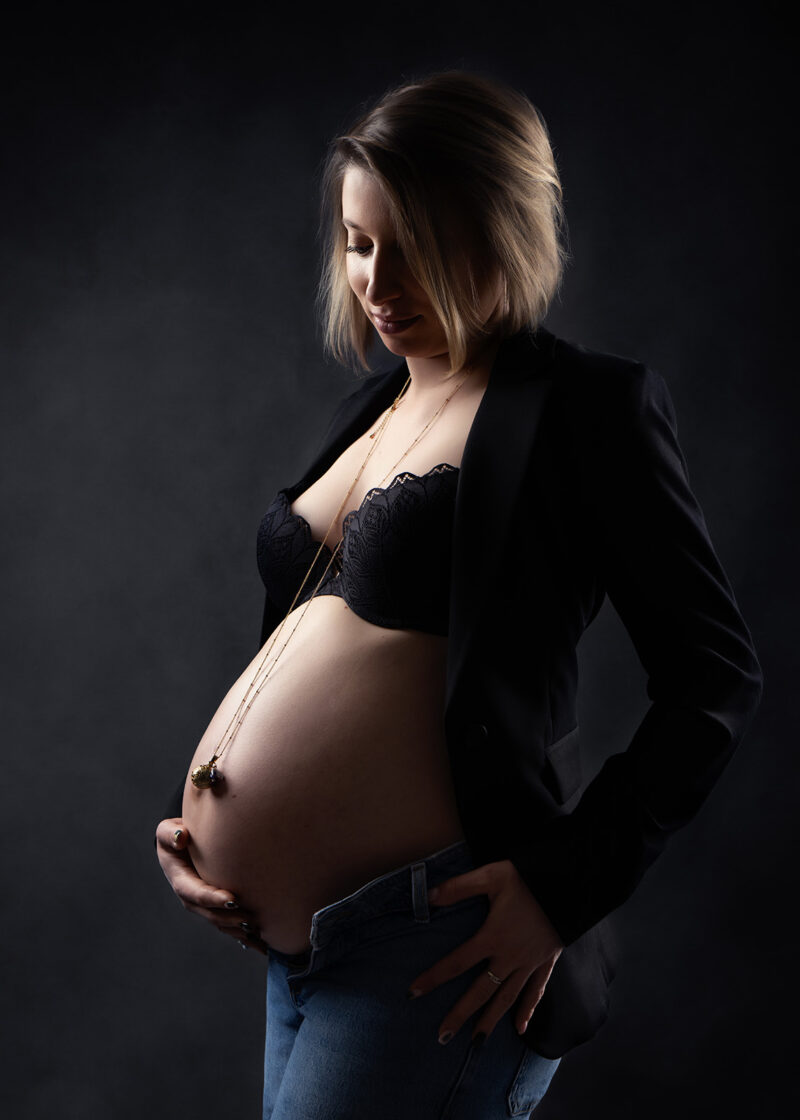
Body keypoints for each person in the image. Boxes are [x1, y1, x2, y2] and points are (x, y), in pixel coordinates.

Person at [154, 70, 763, 1119]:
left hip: (436, 950)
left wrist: (562, 887)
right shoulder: (370, 407)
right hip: (303, 958)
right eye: (357, 242)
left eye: (412, 245)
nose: (375, 282)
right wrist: (209, 817)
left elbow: (713, 678)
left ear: (499, 231)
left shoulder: (584, 411)